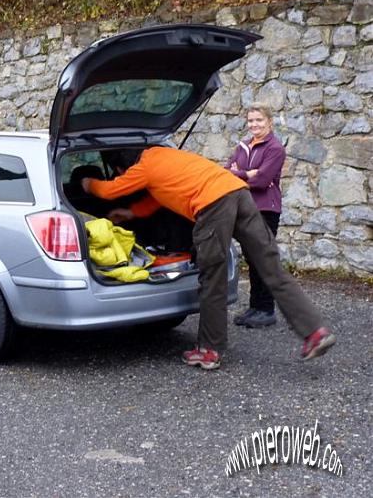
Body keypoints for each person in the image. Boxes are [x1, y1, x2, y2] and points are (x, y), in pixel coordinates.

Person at [81, 146, 334, 371]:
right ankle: (314, 332)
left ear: (121, 167)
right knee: (271, 268)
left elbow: (109, 190)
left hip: (212, 205)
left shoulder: (143, 167)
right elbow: (158, 194)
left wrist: (86, 183)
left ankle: (209, 350)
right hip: (238, 192)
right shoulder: (166, 153)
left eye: (120, 172)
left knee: (212, 275)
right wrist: (131, 212)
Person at [225, 104, 287, 328]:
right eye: (250, 120)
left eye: (259, 120)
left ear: (269, 122)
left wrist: (238, 173)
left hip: (266, 209)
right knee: (252, 259)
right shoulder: (243, 146)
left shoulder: (275, 149)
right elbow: (225, 172)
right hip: (246, 207)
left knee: (263, 258)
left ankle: (267, 309)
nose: (254, 125)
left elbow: (261, 181)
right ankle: (255, 306)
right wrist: (246, 173)